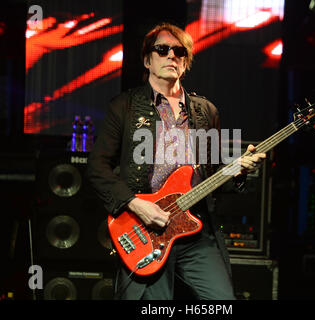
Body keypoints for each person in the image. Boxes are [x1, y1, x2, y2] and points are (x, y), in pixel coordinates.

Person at [87, 22, 266, 300]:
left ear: (186, 62)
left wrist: (239, 170)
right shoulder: (124, 106)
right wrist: (137, 205)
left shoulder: (206, 111)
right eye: (163, 49)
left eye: (180, 51)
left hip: (195, 231)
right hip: (146, 227)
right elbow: (97, 167)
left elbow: (213, 174)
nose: (172, 55)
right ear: (147, 60)